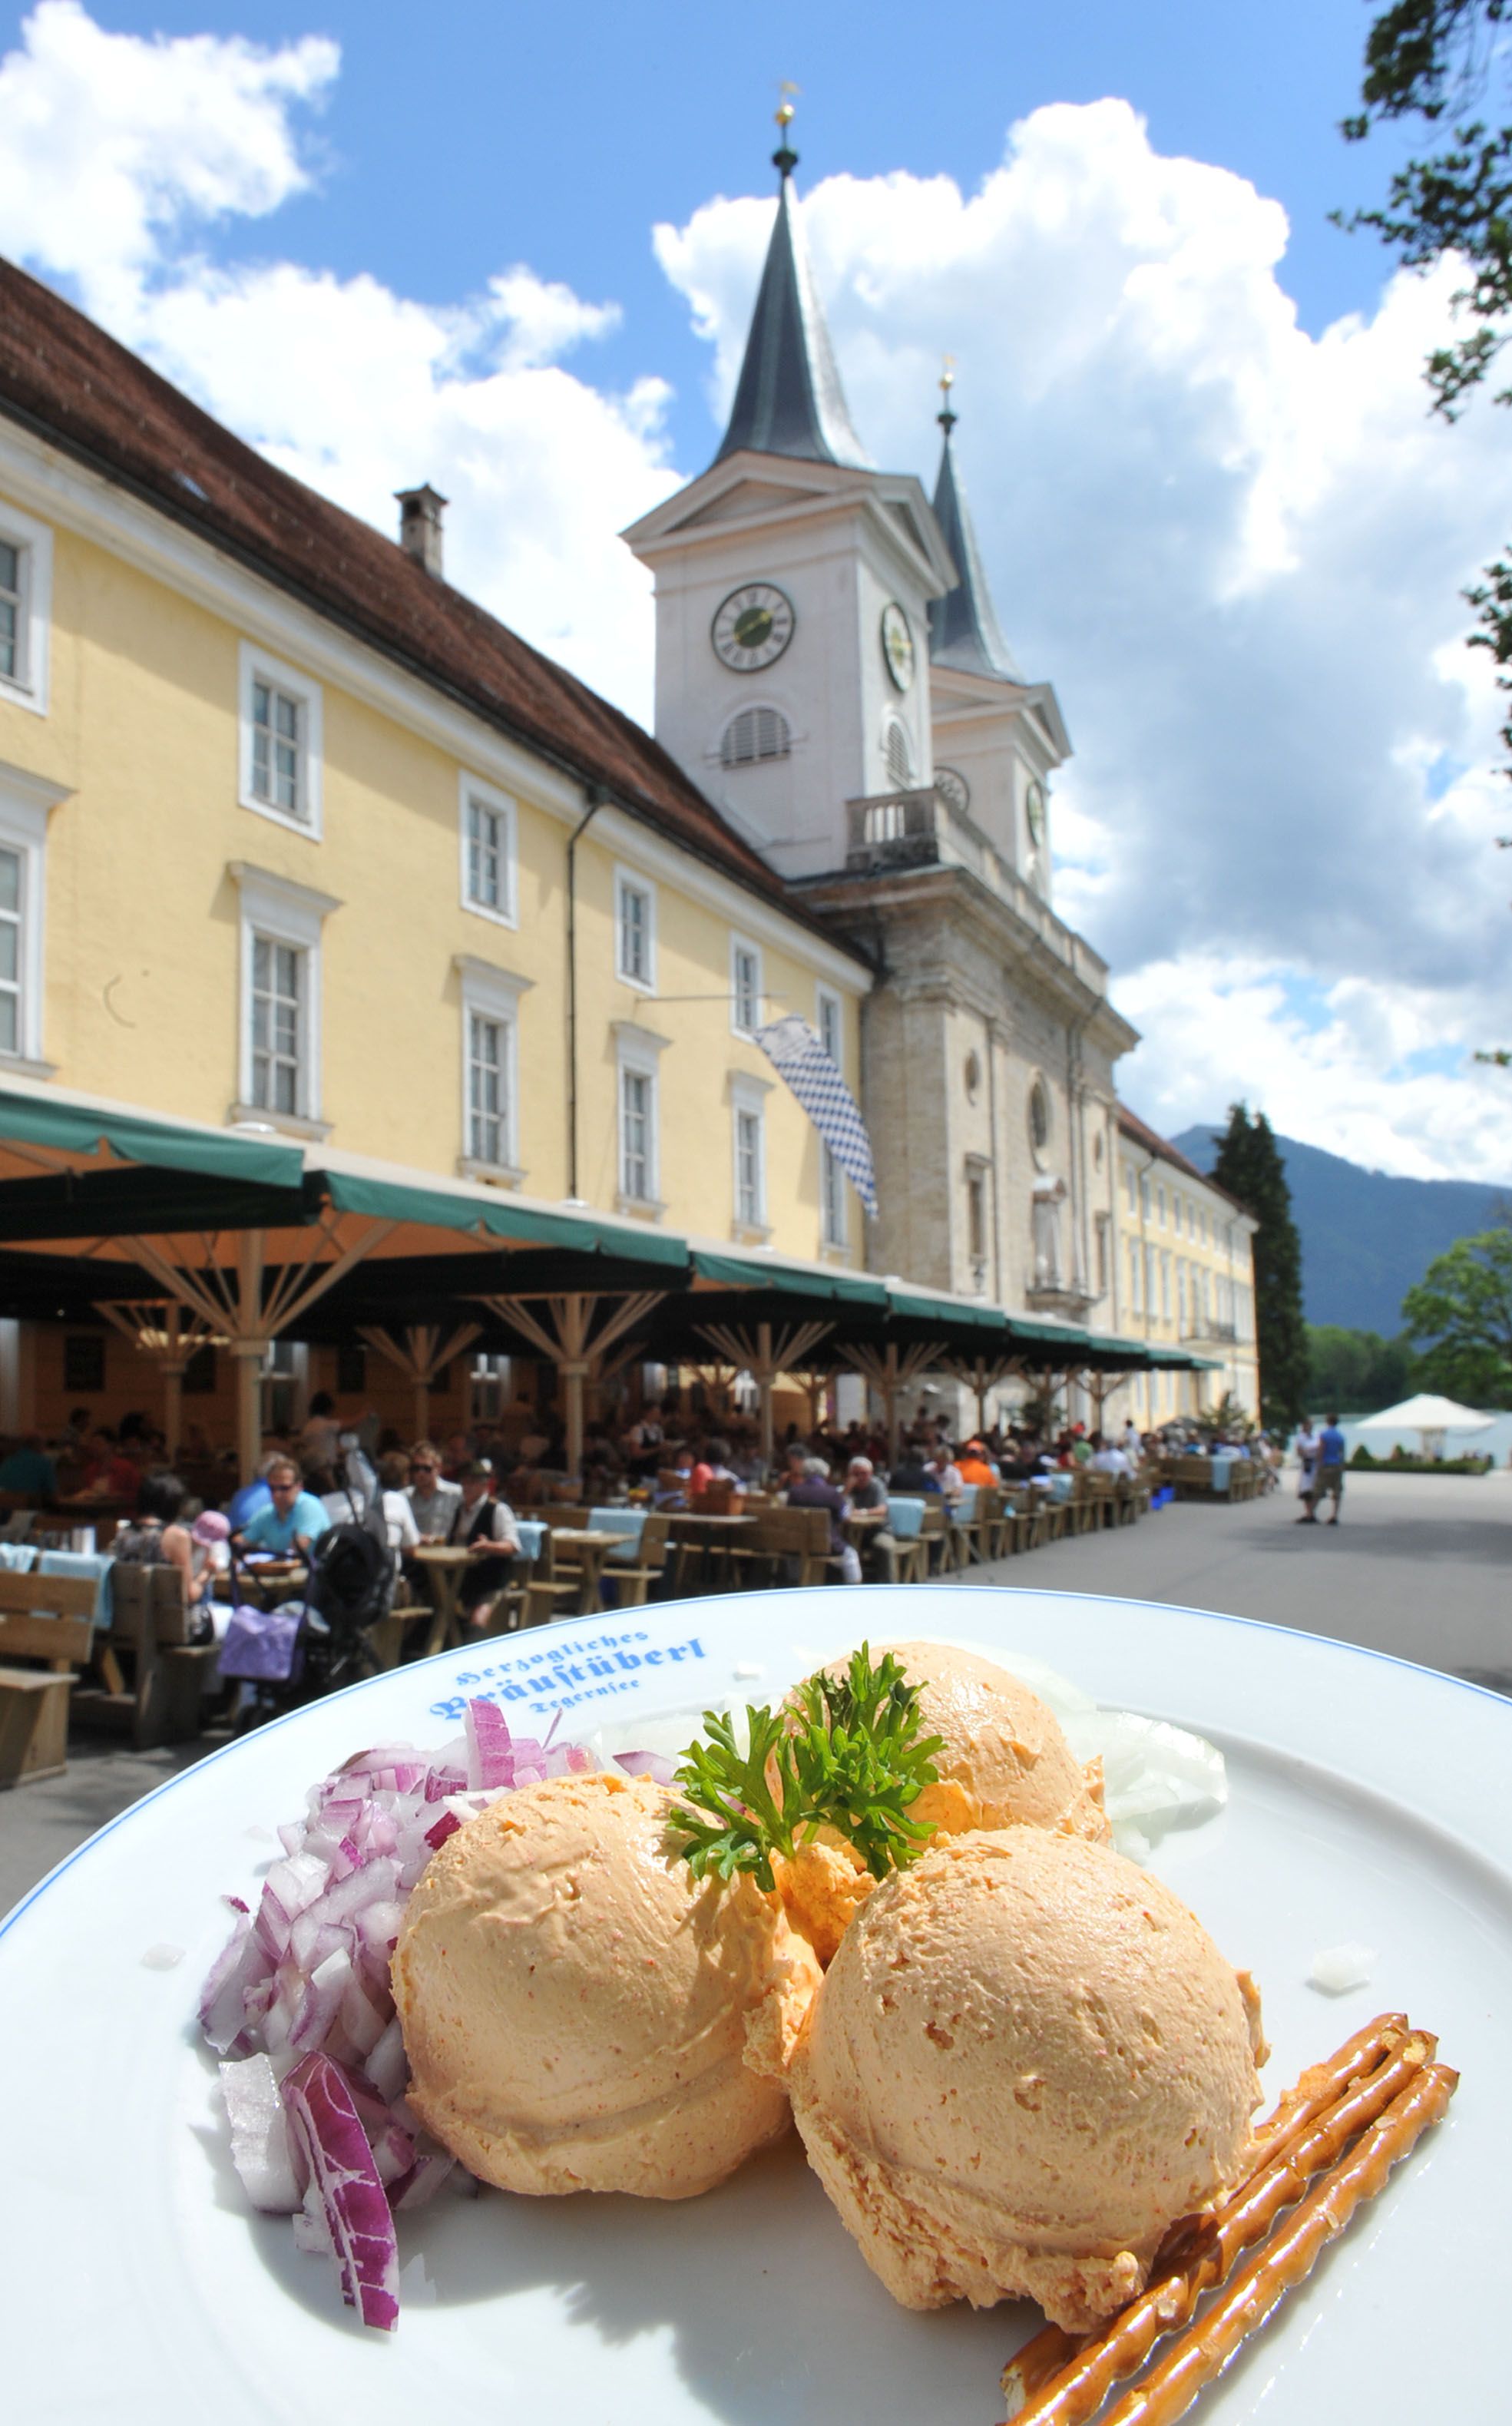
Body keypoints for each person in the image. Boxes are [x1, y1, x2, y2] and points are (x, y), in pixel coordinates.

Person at [113, 1471, 213, 1618]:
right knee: (232, 1617)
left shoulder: (123, 1534)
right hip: (170, 1627)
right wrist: (206, 1573)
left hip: (127, 1623)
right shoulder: (176, 1536)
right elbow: (188, 1595)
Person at [448, 1458, 521, 1627]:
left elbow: (512, 1546)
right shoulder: (458, 1510)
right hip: (460, 1578)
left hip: (490, 1581)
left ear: (484, 1485)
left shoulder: (498, 1510)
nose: (467, 1487)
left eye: (472, 1482)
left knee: (478, 1620)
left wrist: (489, 1547)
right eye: (464, 1482)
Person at [786, 1455, 862, 1584]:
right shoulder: (832, 1493)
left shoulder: (794, 1493)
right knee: (851, 1556)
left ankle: (795, 1582)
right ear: (825, 1474)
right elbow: (845, 1516)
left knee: (796, 1557)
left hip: (798, 1544)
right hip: (828, 1545)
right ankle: (855, 1589)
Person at [235, 1457, 330, 1557]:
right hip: (280, 1571)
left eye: (284, 1488)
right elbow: (240, 1541)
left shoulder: (310, 1507)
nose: (277, 1494)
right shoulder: (268, 1512)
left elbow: (297, 1550)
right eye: (273, 1488)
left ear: (299, 1487)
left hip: (310, 1571)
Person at [842, 1455, 896, 1578]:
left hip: (879, 1531)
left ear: (871, 1473)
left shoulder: (877, 1486)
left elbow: (882, 1509)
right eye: (856, 1474)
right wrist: (846, 1490)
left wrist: (862, 1512)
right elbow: (838, 1507)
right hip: (851, 1532)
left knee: (884, 1547)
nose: (860, 1477)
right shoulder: (848, 1488)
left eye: (864, 1473)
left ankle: (888, 1587)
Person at [406, 1441, 461, 1544]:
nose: (420, 1473)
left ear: (438, 1468)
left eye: (426, 1469)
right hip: (414, 1555)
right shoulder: (404, 1497)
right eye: (416, 1468)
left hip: (446, 1554)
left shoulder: (457, 1494)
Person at [77, 1427, 140, 1498]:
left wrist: (120, 1495)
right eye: (92, 1444)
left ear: (111, 1445)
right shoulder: (90, 1470)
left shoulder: (126, 1468)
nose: (94, 1447)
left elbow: (137, 1493)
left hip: (120, 1508)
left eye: (98, 1443)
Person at [0, 1432, 57, 1496]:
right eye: (43, 1445)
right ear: (37, 1445)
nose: (44, 1449)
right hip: (30, 1504)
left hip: (5, 1503)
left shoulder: (8, 1462)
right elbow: (52, 1492)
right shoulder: (43, 1463)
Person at [1315, 1413, 1347, 1524]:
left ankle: (1312, 1512)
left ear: (1327, 1422)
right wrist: (1342, 1467)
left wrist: (1318, 1464)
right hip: (1337, 1465)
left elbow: (1321, 1450)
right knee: (1337, 1491)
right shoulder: (1340, 1436)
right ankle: (1334, 1515)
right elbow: (1342, 1453)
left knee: (1318, 1489)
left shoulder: (1324, 1435)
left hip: (1325, 1464)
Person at [299, 1392, 342, 1473]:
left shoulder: (307, 1427)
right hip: (326, 1468)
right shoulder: (327, 1425)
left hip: (311, 1468)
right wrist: (364, 1413)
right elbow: (349, 1423)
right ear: (328, 1409)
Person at [1294, 1418, 1321, 1524]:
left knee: (1315, 1489)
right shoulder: (1301, 1437)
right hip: (1307, 1463)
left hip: (1316, 1463)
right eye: (1309, 1424)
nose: (1310, 1426)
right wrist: (1307, 1453)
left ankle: (1311, 1512)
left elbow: (1320, 1448)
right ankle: (1309, 1513)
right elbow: (1299, 1451)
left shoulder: (1316, 1435)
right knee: (1306, 1489)